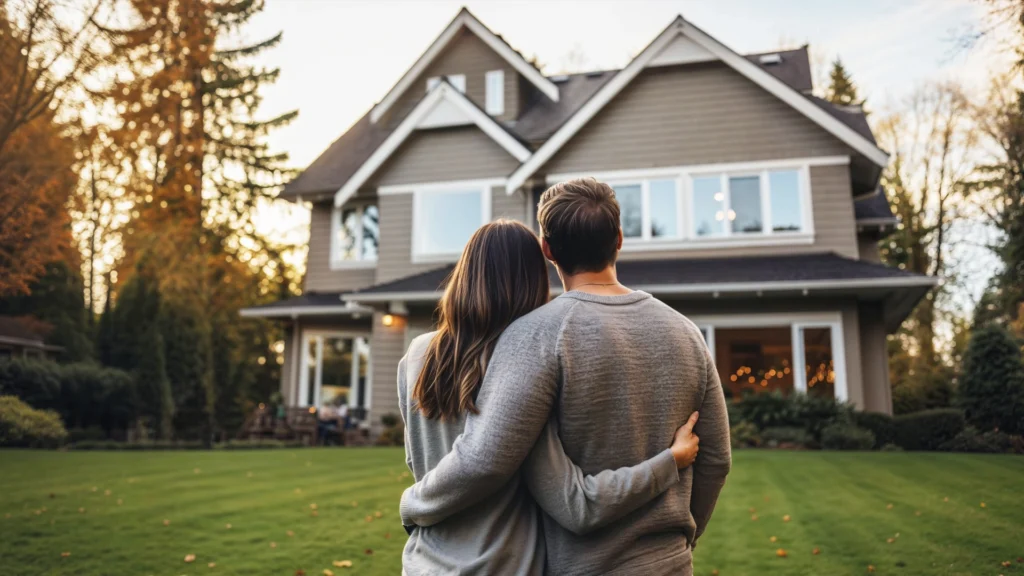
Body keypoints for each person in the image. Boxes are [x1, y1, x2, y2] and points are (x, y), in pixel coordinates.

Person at [401, 180, 732, 575]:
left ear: (548, 249)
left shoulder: (538, 335)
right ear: (620, 240)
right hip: (671, 562)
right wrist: (682, 534)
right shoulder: (686, 331)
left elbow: (491, 463)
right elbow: (716, 460)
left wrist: (414, 503)